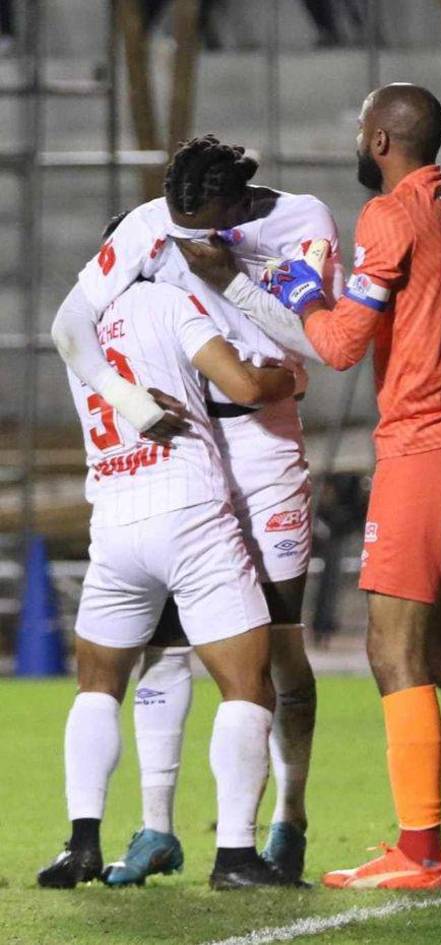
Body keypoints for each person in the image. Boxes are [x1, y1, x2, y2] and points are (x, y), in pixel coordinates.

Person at [179, 82, 441, 892]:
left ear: (381, 141)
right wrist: (297, 285)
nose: (358, 143)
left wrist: (253, 287)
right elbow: (401, 301)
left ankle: (420, 850)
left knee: (389, 646)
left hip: (424, 446)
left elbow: (337, 346)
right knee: (436, 643)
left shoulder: (388, 214)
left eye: (363, 130)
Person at [49, 135, 343, 886]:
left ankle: (288, 820)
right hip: (184, 444)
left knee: (277, 647)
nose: (178, 241)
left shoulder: (304, 221)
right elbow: (71, 323)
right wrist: (129, 400)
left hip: (262, 442)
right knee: (166, 646)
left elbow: (320, 343)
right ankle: (158, 826)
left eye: (198, 228)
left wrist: (234, 283)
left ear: (235, 208)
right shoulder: (150, 224)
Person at [38, 274, 298, 890]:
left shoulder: (80, 328)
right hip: (187, 510)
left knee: (97, 687)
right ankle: (235, 856)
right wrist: (285, 377)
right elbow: (242, 385)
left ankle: (82, 844)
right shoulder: (165, 299)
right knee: (247, 685)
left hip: (115, 516)